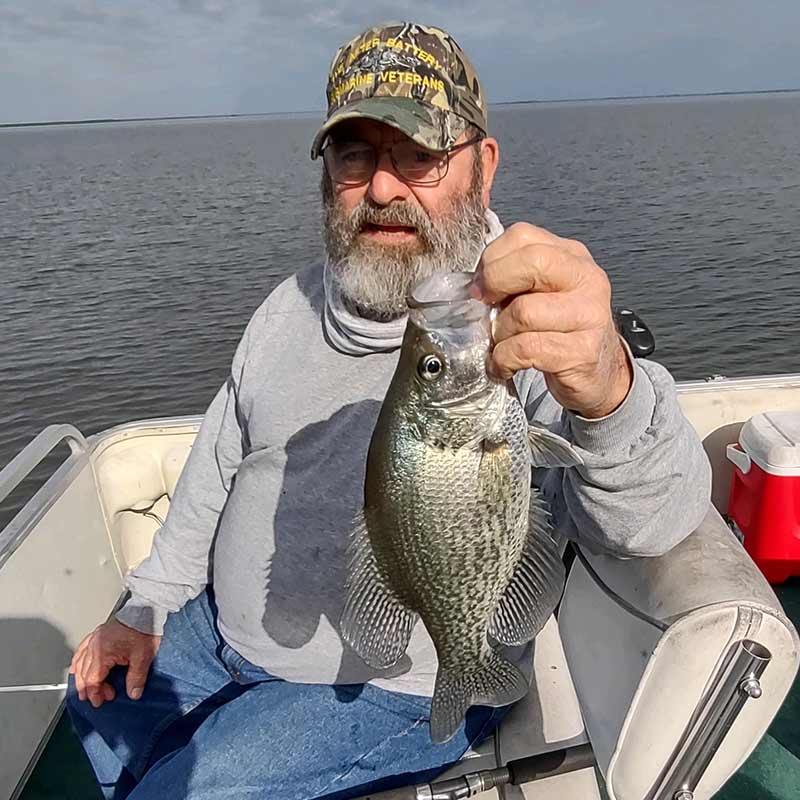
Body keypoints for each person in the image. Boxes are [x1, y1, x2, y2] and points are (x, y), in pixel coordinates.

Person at [66, 21, 712, 800]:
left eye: (420, 155)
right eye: (355, 154)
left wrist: (608, 384)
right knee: (95, 699)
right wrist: (147, 604)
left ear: (484, 165)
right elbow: (218, 461)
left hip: (392, 685)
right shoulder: (287, 305)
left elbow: (657, 517)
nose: (381, 187)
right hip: (220, 635)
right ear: (327, 173)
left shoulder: (525, 321)